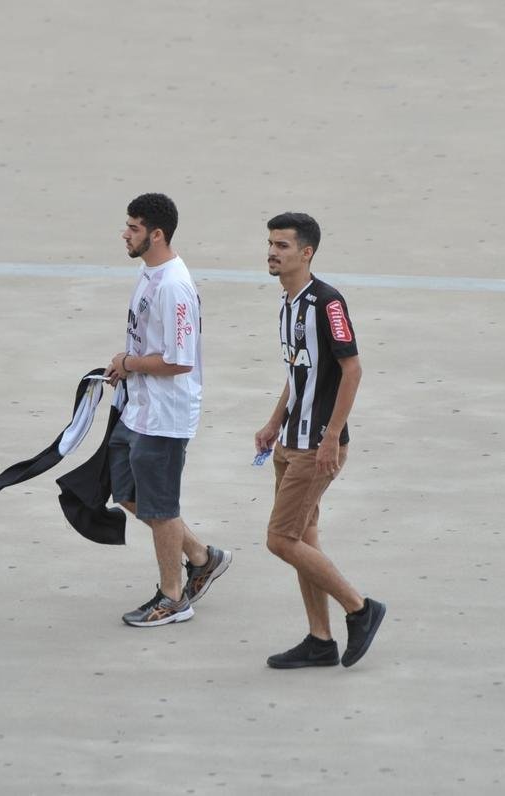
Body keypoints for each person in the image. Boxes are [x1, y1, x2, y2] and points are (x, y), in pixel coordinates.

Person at [254, 212, 386, 668]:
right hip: (290, 442)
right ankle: (320, 640)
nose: (272, 252)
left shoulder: (327, 304)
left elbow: (353, 369)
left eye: (283, 246)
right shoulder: (288, 303)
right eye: (270, 244)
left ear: (306, 253)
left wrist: (331, 437)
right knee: (303, 538)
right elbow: (297, 372)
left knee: (280, 539)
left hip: (316, 446)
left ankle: (360, 608)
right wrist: (273, 424)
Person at [104, 192, 231, 627]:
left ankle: (173, 597)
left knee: (160, 508)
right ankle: (200, 556)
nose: (125, 233)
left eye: (134, 227)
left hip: (165, 415)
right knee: (126, 492)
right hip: (139, 407)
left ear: (156, 234)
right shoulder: (149, 272)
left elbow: (179, 360)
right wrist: (125, 365)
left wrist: (128, 363)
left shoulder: (174, 286)